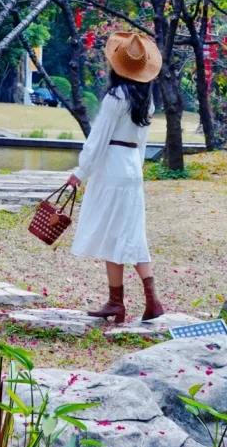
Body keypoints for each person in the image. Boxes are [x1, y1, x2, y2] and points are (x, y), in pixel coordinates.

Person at [66, 28, 164, 325]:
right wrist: (136, 170)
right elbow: (142, 143)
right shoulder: (146, 99)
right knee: (129, 234)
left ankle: (119, 302)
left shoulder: (116, 97)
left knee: (113, 234)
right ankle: (143, 301)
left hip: (112, 168)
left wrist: (81, 172)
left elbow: (99, 138)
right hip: (131, 168)